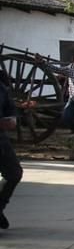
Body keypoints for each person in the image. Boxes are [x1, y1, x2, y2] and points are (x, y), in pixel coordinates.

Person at [0, 71, 22, 230]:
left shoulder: (1, 87)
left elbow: (10, 108)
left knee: (14, 173)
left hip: (0, 137)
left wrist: (12, 119)